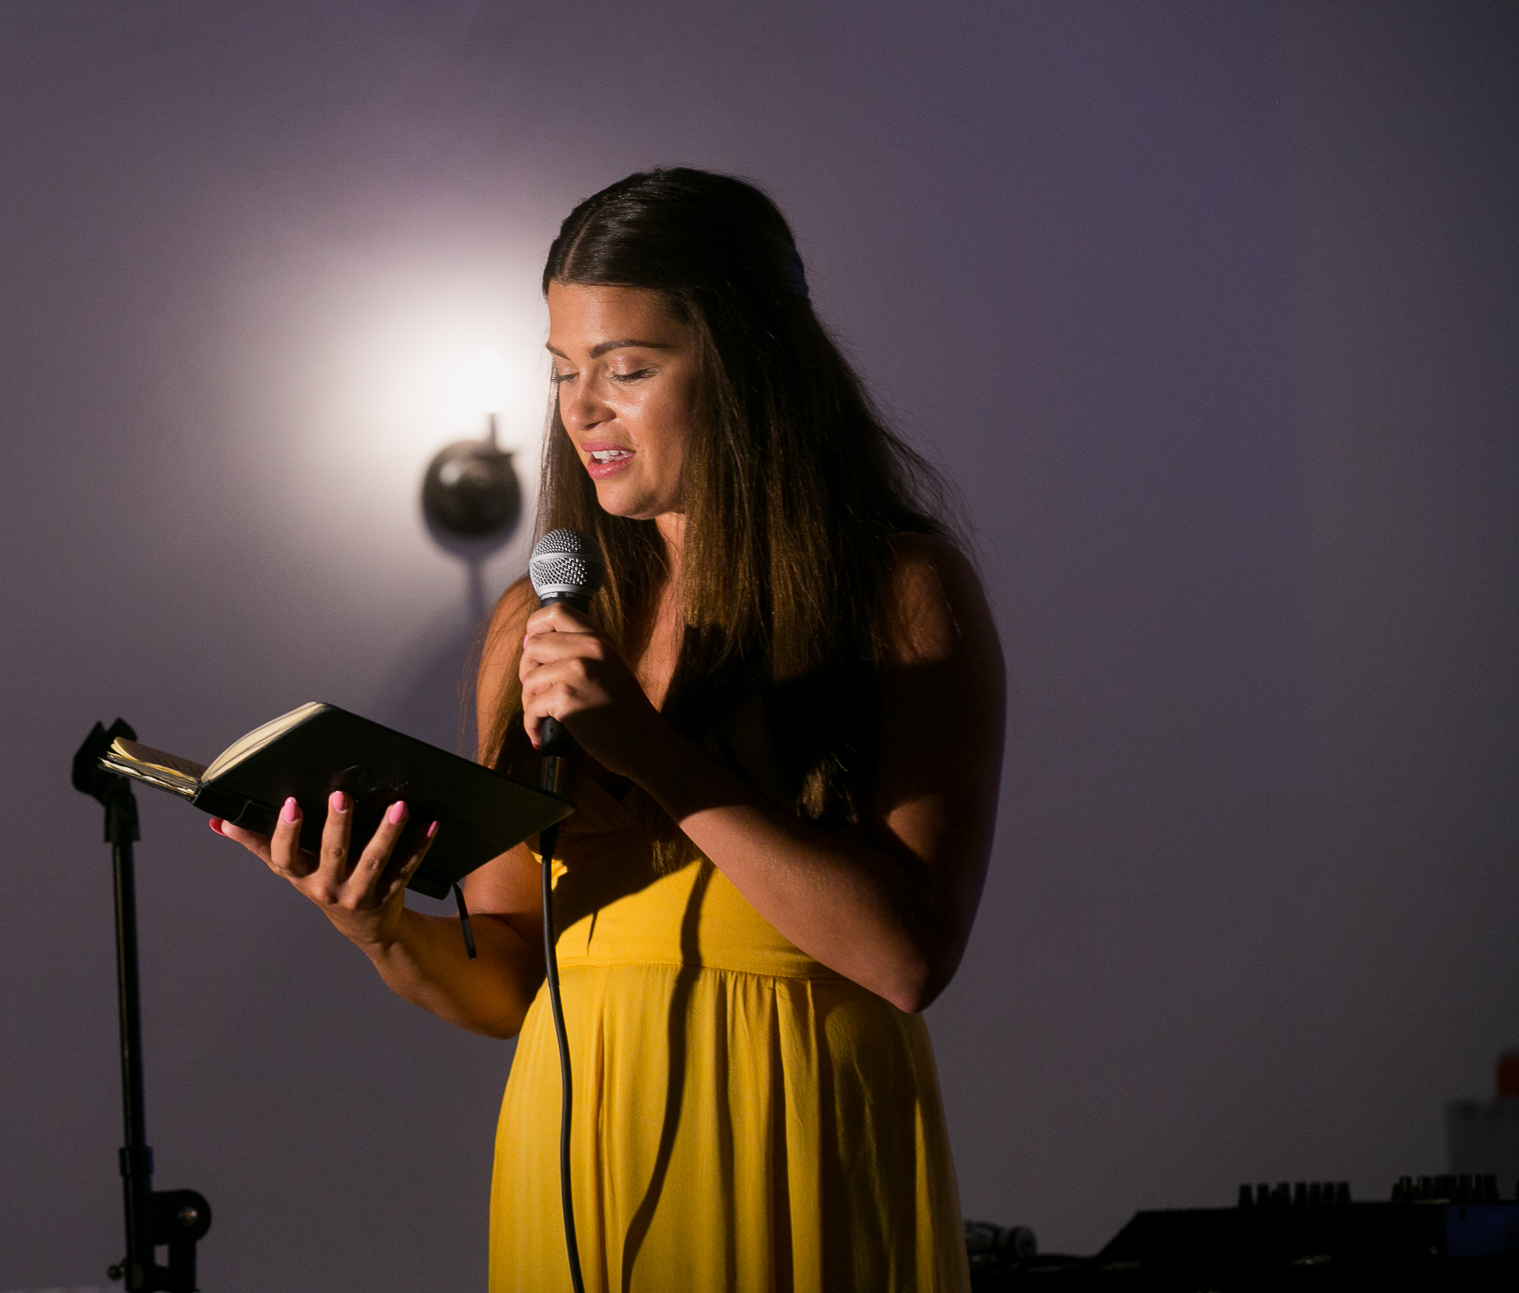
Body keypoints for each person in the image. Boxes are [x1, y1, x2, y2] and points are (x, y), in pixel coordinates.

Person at [212, 168, 1005, 1292]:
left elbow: (906, 958)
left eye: (627, 369)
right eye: (562, 370)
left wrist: (652, 753)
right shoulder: (536, 620)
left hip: (794, 1132)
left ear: (747, 368)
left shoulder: (897, 591)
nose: (582, 409)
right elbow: (507, 980)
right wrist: (378, 929)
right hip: (579, 1150)